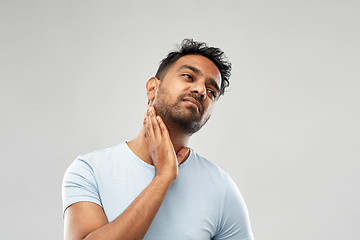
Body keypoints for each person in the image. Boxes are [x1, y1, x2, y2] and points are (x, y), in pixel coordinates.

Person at [62, 39, 254, 240]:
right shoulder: (89, 170)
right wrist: (163, 178)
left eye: (212, 91)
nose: (201, 90)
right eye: (189, 77)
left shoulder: (221, 188)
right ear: (152, 87)